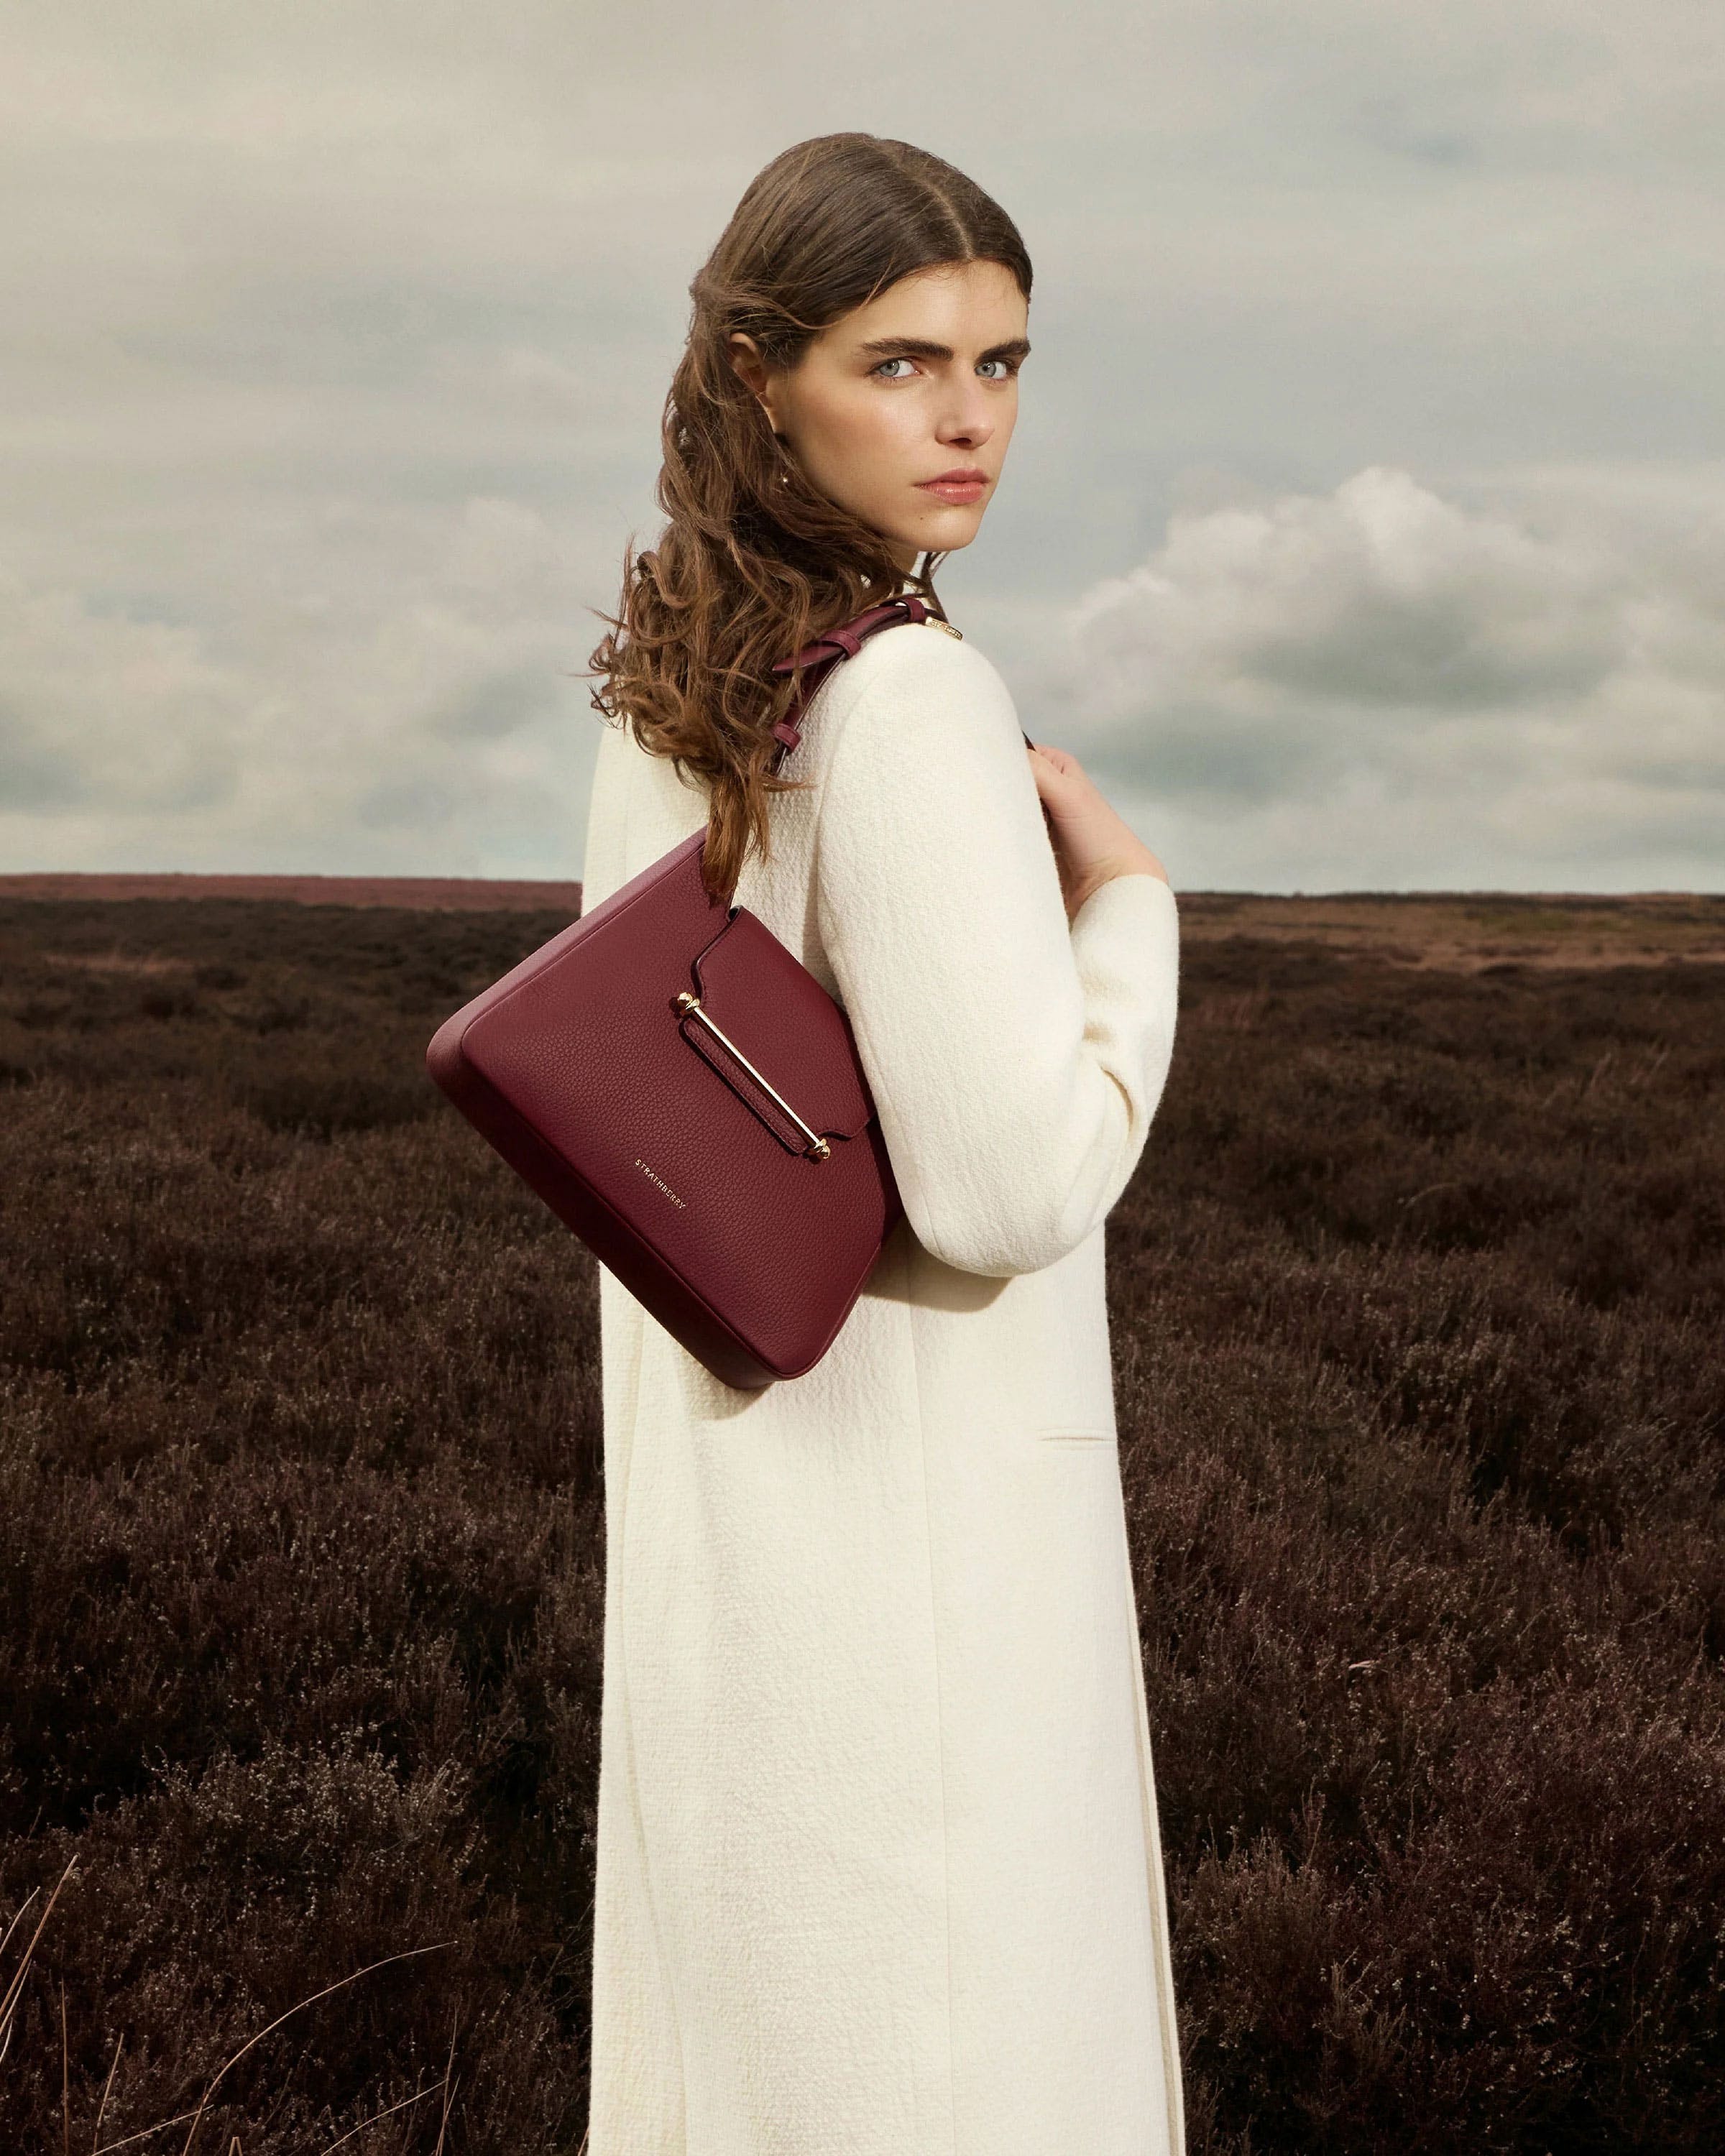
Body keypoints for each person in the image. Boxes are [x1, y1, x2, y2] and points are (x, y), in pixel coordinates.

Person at [579, 132, 1184, 2155]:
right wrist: (1129, 915)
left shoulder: (673, 692)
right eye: (902, 360)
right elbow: (1010, 1187)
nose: (968, 419)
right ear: (760, 375)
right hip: (934, 1602)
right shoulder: (910, 697)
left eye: (1002, 364)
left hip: (735, 1571)